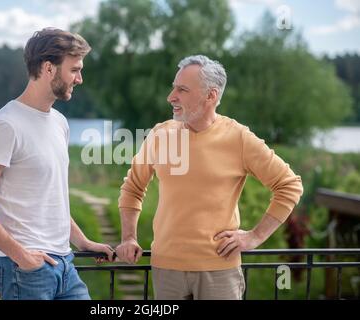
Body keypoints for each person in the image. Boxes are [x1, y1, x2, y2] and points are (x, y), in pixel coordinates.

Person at [116, 55, 304, 300]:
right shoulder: (160, 135)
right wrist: (128, 237)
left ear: (210, 96)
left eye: (182, 89)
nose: (171, 97)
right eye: (174, 87)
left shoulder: (239, 138)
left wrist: (255, 236)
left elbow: (289, 186)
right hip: (166, 269)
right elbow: (132, 188)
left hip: (219, 270)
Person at [0, 28, 114, 300]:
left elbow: (49, 200)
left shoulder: (60, 123)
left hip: (65, 264)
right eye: (74, 70)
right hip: (25, 269)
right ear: (48, 68)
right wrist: (20, 255)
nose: (80, 78)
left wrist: (82, 242)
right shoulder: (6, 125)